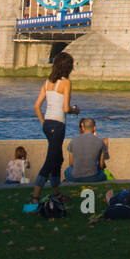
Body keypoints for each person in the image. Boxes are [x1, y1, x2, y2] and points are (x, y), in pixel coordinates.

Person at [26, 52, 79, 208]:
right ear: (68, 68)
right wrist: (75, 110)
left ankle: (57, 194)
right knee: (50, 161)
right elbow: (66, 108)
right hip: (58, 125)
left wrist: (43, 122)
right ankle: (35, 197)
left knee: (58, 159)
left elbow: (36, 106)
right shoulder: (66, 83)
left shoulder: (47, 82)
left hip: (47, 125)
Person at [64, 118, 109, 183]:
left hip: (75, 177)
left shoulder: (73, 141)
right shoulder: (100, 142)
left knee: (67, 171)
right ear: (94, 128)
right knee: (103, 175)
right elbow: (101, 165)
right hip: (93, 177)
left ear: (83, 128)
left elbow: (71, 163)